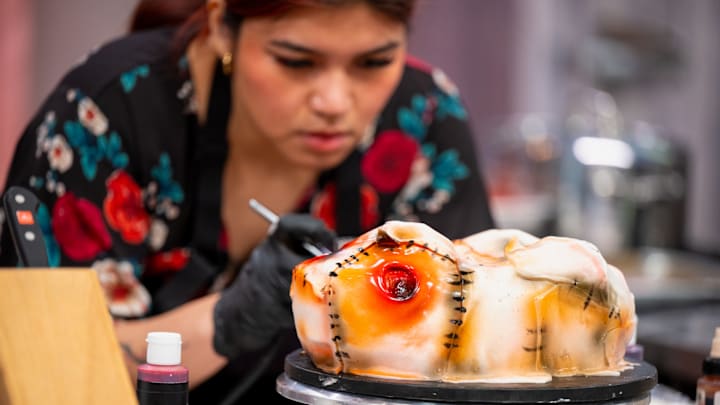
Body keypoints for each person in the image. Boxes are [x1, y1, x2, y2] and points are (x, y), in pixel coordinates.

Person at [0, 0, 494, 402]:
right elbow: (48, 375)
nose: (335, 102)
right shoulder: (109, 110)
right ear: (222, 29)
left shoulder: (423, 117)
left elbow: (474, 338)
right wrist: (230, 318)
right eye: (296, 62)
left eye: (375, 62)